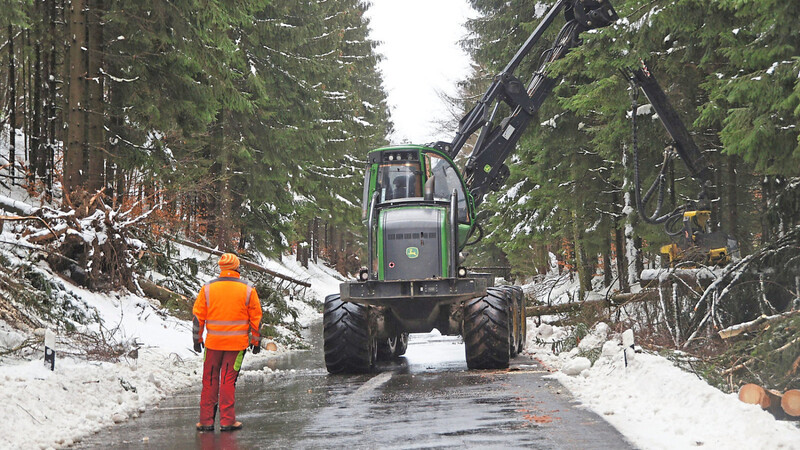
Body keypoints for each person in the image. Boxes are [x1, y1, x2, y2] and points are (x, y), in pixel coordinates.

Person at [192, 253, 262, 432]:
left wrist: (197, 338)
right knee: (227, 381)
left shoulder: (208, 288)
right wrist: (256, 340)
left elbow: (198, 317)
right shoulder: (247, 289)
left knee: (209, 380)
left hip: (213, 343)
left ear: (221, 268)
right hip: (236, 346)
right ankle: (227, 421)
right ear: (237, 268)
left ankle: (206, 421)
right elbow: (256, 318)